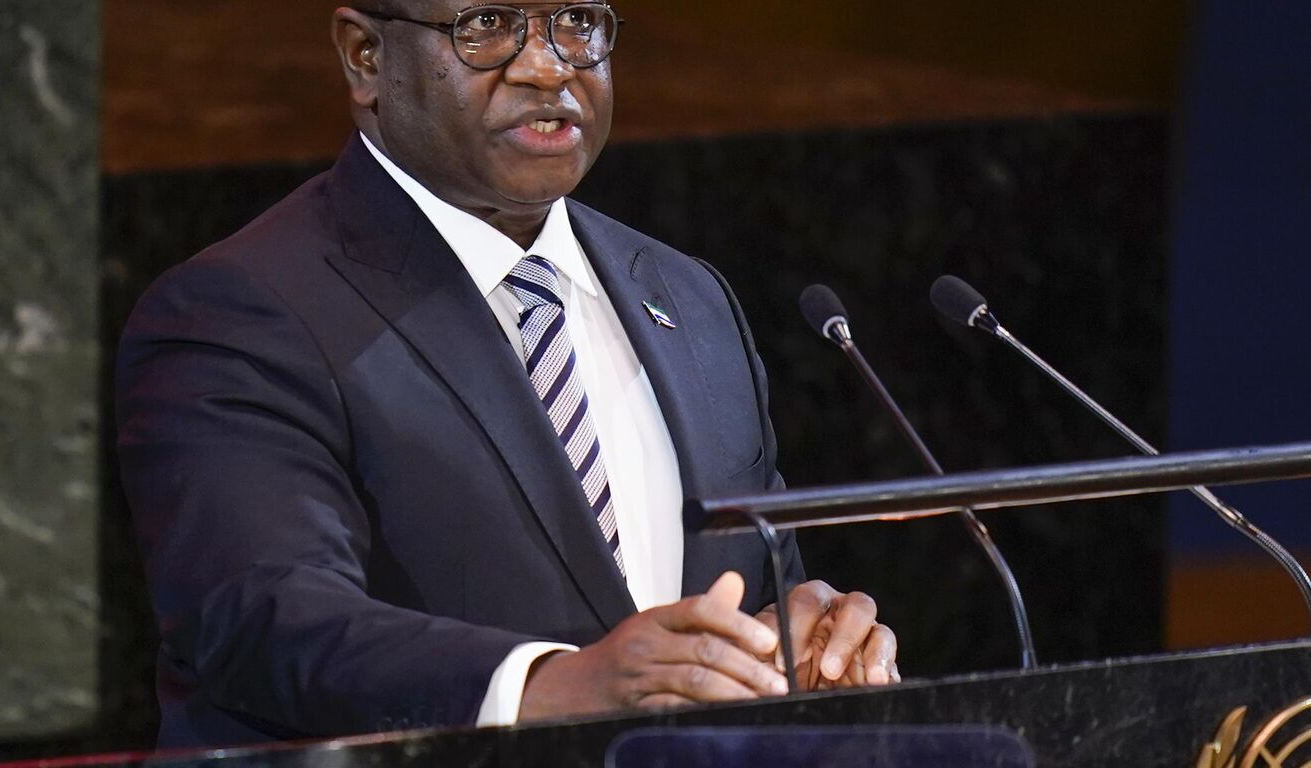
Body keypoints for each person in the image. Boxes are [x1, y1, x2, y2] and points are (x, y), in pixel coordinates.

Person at [115, 0, 898, 747]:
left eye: (578, 24)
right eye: (487, 26)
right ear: (365, 57)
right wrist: (551, 686)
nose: (548, 68)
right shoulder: (241, 310)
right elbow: (264, 618)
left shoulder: (689, 298)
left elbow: (754, 583)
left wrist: (804, 636)